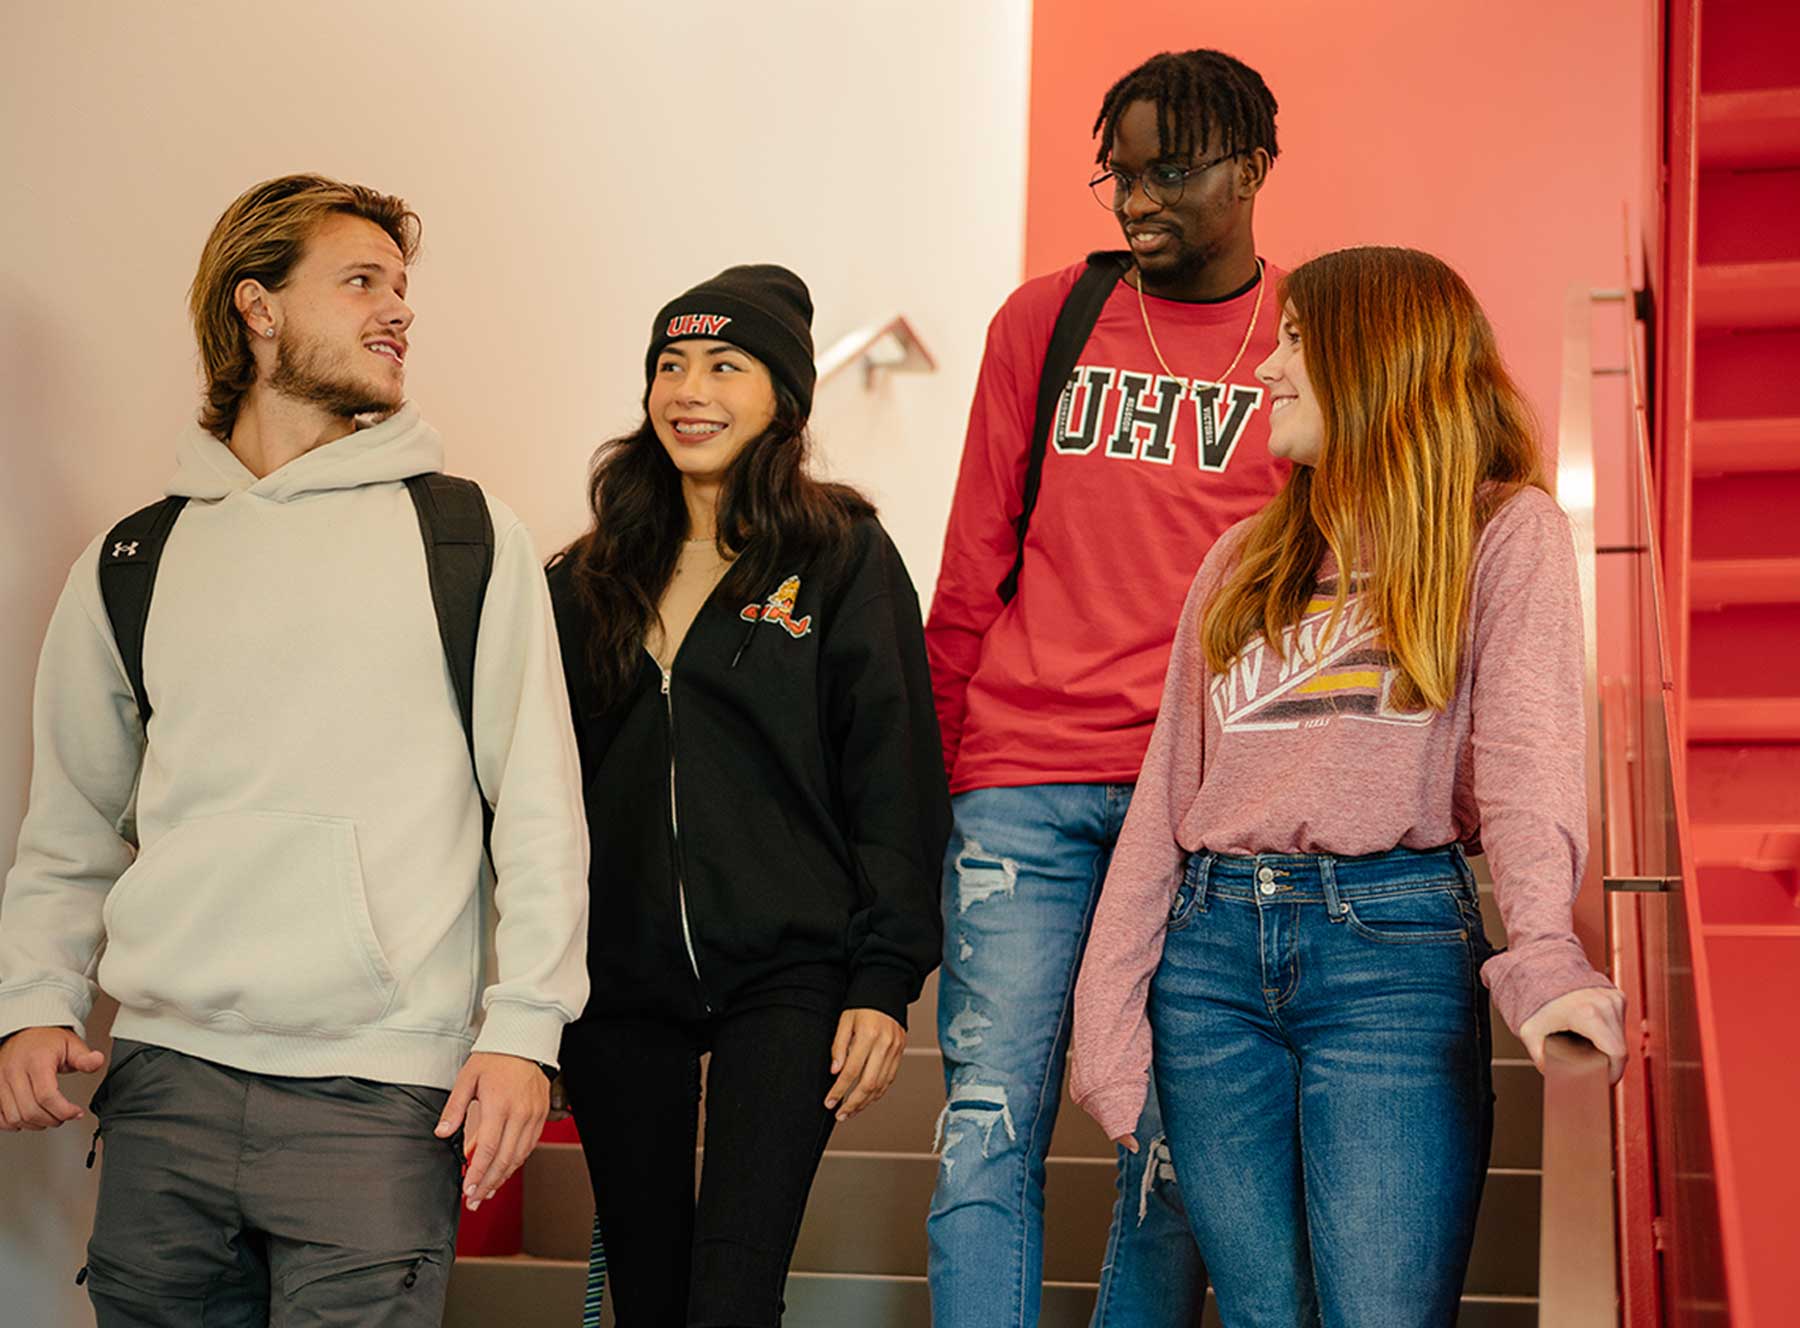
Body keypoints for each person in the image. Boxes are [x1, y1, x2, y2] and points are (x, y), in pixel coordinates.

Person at [0, 173, 590, 1325]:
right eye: (361, 281)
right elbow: (69, 820)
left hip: (379, 1090)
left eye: (402, 289)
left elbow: (537, 809)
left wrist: (525, 1029)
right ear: (256, 308)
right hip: (166, 1079)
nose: (397, 311)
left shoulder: (463, 536)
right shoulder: (135, 558)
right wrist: (34, 995)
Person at [1071, 245, 1630, 1327]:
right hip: (1211, 960)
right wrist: (1108, 1017)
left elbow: (1525, 764)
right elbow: (1162, 803)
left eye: (1295, 338)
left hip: (1395, 960)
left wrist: (1545, 951)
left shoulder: (1503, 534)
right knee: (1261, 1315)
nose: (1267, 370)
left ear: (1381, 355)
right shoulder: (1240, 560)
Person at [924, 49, 1287, 1326]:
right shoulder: (1047, 320)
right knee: (987, 1123)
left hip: (1199, 801)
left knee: (1180, 1140)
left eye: (1170, 171)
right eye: (1118, 173)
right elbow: (975, 555)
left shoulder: (1305, 344)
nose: (1136, 201)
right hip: (1020, 786)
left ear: (1252, 167)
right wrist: (937, 768)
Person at [548, 263, 951, 1327]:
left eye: (726, 365)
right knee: (648, 1290)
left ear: (785, 395)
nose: (691, 389)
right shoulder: (583, 579)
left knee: (730, 1292)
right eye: (670, 364)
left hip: (791, 968)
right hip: (616, 978)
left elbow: (895, 773)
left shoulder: (840, 558)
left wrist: (884, 973)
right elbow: (535, 797)